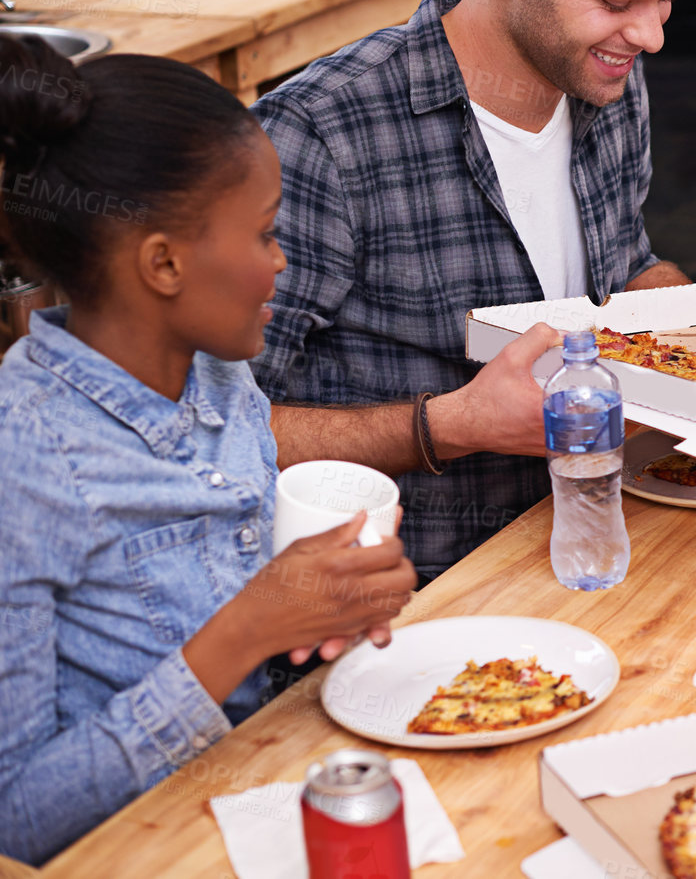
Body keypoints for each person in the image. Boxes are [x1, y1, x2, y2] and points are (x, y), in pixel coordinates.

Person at [250, 0, 696, 579]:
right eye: (616, 2)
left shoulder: (604, 73)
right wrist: (450, 424)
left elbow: (622, 264)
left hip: (599, 538)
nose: (650, 36)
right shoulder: (319, 137)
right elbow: (199, 434)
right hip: (416, 600)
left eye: (665, 0)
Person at [0, 42, 428, 864]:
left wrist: (327, 600)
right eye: (266, 233)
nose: (282, 261)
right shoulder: (27, 462)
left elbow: (257, 608)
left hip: (278, 784)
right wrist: (244, 632)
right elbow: (16, 819)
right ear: (162, 262)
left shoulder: (223, 376)